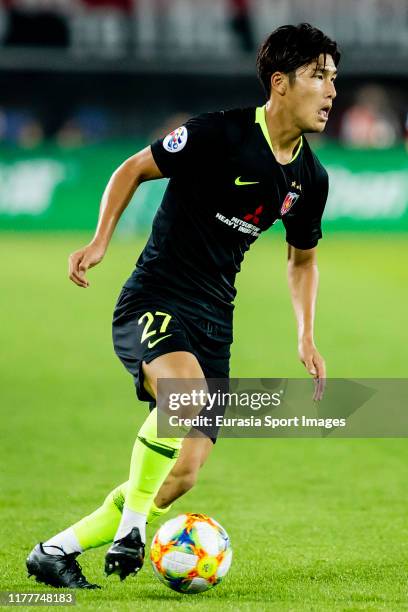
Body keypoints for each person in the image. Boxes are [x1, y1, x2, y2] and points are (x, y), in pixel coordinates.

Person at [26, 22, 340, 589]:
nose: (332, 91)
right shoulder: (218, 135)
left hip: (215, 320)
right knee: (184, 397)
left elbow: (303, 260)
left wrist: (306, 335)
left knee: (184, 472)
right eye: (319, 76)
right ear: (280, 82)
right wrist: (100, 241)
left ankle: (56, 551)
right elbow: (132, 169)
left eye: (334, 78)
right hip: (156, 297)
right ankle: (134, 527)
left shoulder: (310, 178)